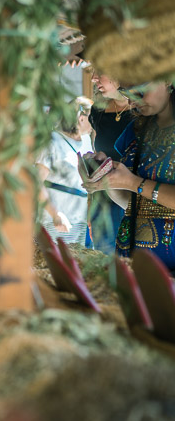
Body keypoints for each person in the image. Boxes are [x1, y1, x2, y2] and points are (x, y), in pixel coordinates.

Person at [85, 81, 175, 271]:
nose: (132, 102)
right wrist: (107, 178)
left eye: (140, 92)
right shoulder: (136, 129)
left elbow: (135, 186)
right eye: (127, 93)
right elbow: (131, 203)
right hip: (134, 263)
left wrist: (135, 183)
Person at [86, 70, 135, 252]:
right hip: (102, 200)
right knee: (103, 264)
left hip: (134, 198)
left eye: (100, 71)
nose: (93, 78)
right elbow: (98, 151)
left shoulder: (146, 110)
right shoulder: (98, 111)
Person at [35, 100, 94, 246]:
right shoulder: (52, 142)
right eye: (92, 117)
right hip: (56, 221)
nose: (95, 122)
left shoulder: (86, 143)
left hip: (80, 222)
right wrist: (55, 214)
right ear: (81, 118)